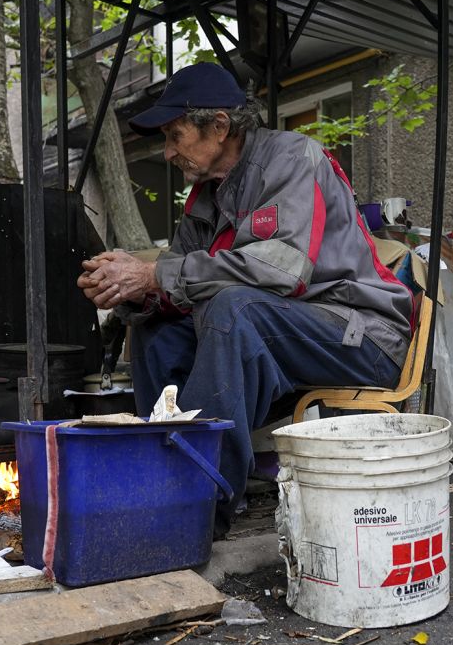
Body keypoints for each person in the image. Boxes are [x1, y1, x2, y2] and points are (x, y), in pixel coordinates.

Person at [77, 62, 414, 536]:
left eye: (175, 135)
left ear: (218, 126)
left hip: (362, 336)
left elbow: (283, 271)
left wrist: (154, 274)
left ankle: (197, 511)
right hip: (285, 335)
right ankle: (164, 478)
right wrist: (132, 289)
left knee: (233, 307)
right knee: (156, 330)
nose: (169, 151)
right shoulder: (205, 198)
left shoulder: (294, 158)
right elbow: (179, 284)